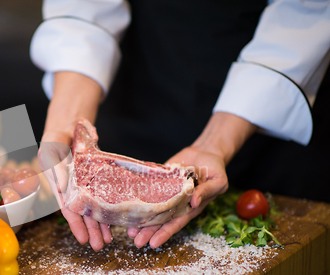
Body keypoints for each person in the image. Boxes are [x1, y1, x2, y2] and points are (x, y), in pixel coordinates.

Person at [30, 0, 330, 251]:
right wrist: (68, 121)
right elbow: (83, 9)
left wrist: (215, 143)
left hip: (267, 128)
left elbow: (305, 16)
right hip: (139, 78)